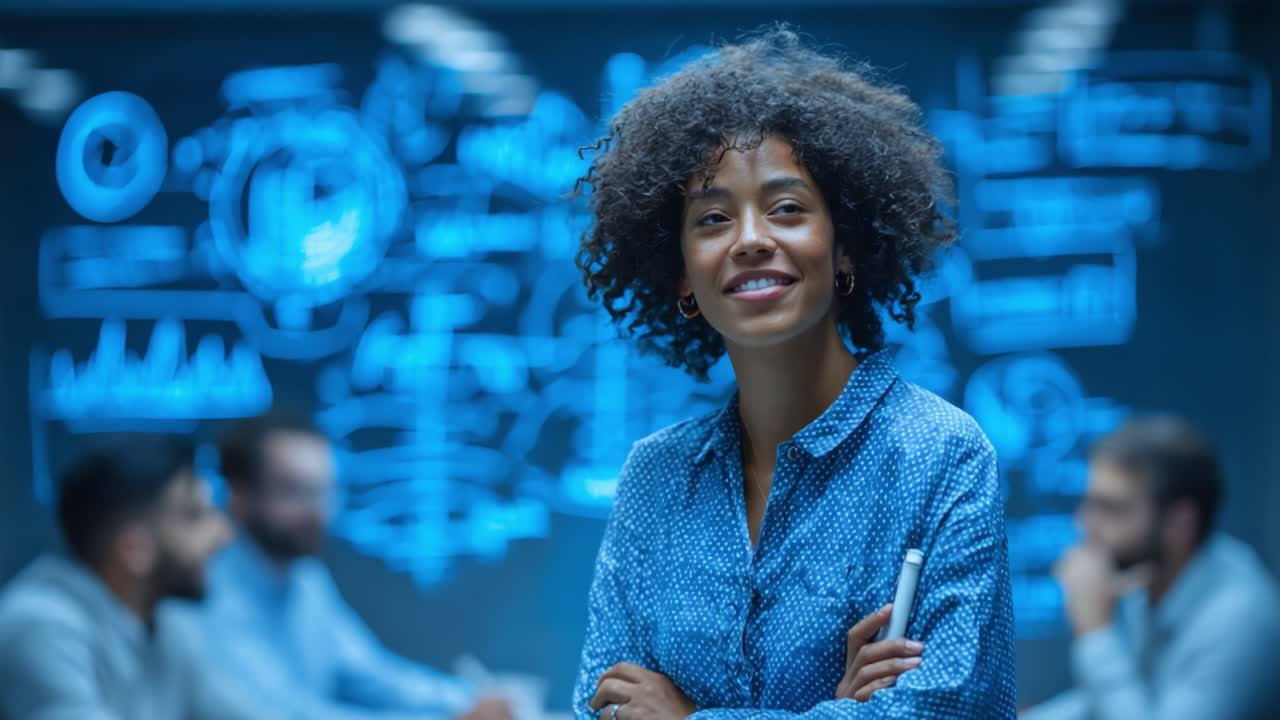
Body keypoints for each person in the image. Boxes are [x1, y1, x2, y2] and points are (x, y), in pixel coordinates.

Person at [571, 28, 1015, 720]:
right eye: (712, 218)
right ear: (682, 274)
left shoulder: (940, 457)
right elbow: (601, 707)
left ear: (845, 249)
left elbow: (955, 711)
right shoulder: (654, 479)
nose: (751, 239)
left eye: (786, 208)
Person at [196, 412, 511, 720]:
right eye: (295, 492)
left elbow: (373, 674)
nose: (318, 512)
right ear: (239, 495)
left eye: (324, 491)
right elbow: (285, 714)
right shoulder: (205, 591)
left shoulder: (305, 578)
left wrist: (468, 700)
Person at [1021, 417, 1280, 720]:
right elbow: (1113, 700)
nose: (1085, 525)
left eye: (1112, 508)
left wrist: (1095, 630)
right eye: (1089, 503)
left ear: (1180, 523)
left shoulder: (1240, 621)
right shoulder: (1147, 578)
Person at [0, 434, 260, 720]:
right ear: (134, 549)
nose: (224, 534)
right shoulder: (40, 628)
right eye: (195, 516)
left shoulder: (169, 628)